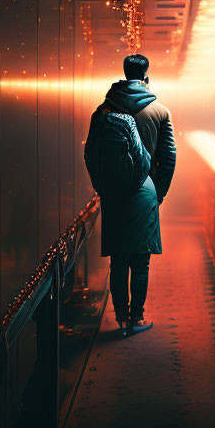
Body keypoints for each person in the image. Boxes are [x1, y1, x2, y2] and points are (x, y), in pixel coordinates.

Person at [90, 53, 176, 336]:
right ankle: (137, 318)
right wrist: (159, 192)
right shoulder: (160, 112)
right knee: (141, 260)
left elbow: (90, 153)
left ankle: (120, 319)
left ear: (124, 74)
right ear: (146, 76)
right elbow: (169, 156)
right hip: (144, 191)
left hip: (113, 191)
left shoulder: (103, 111)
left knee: (118, 260)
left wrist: (101, 186)